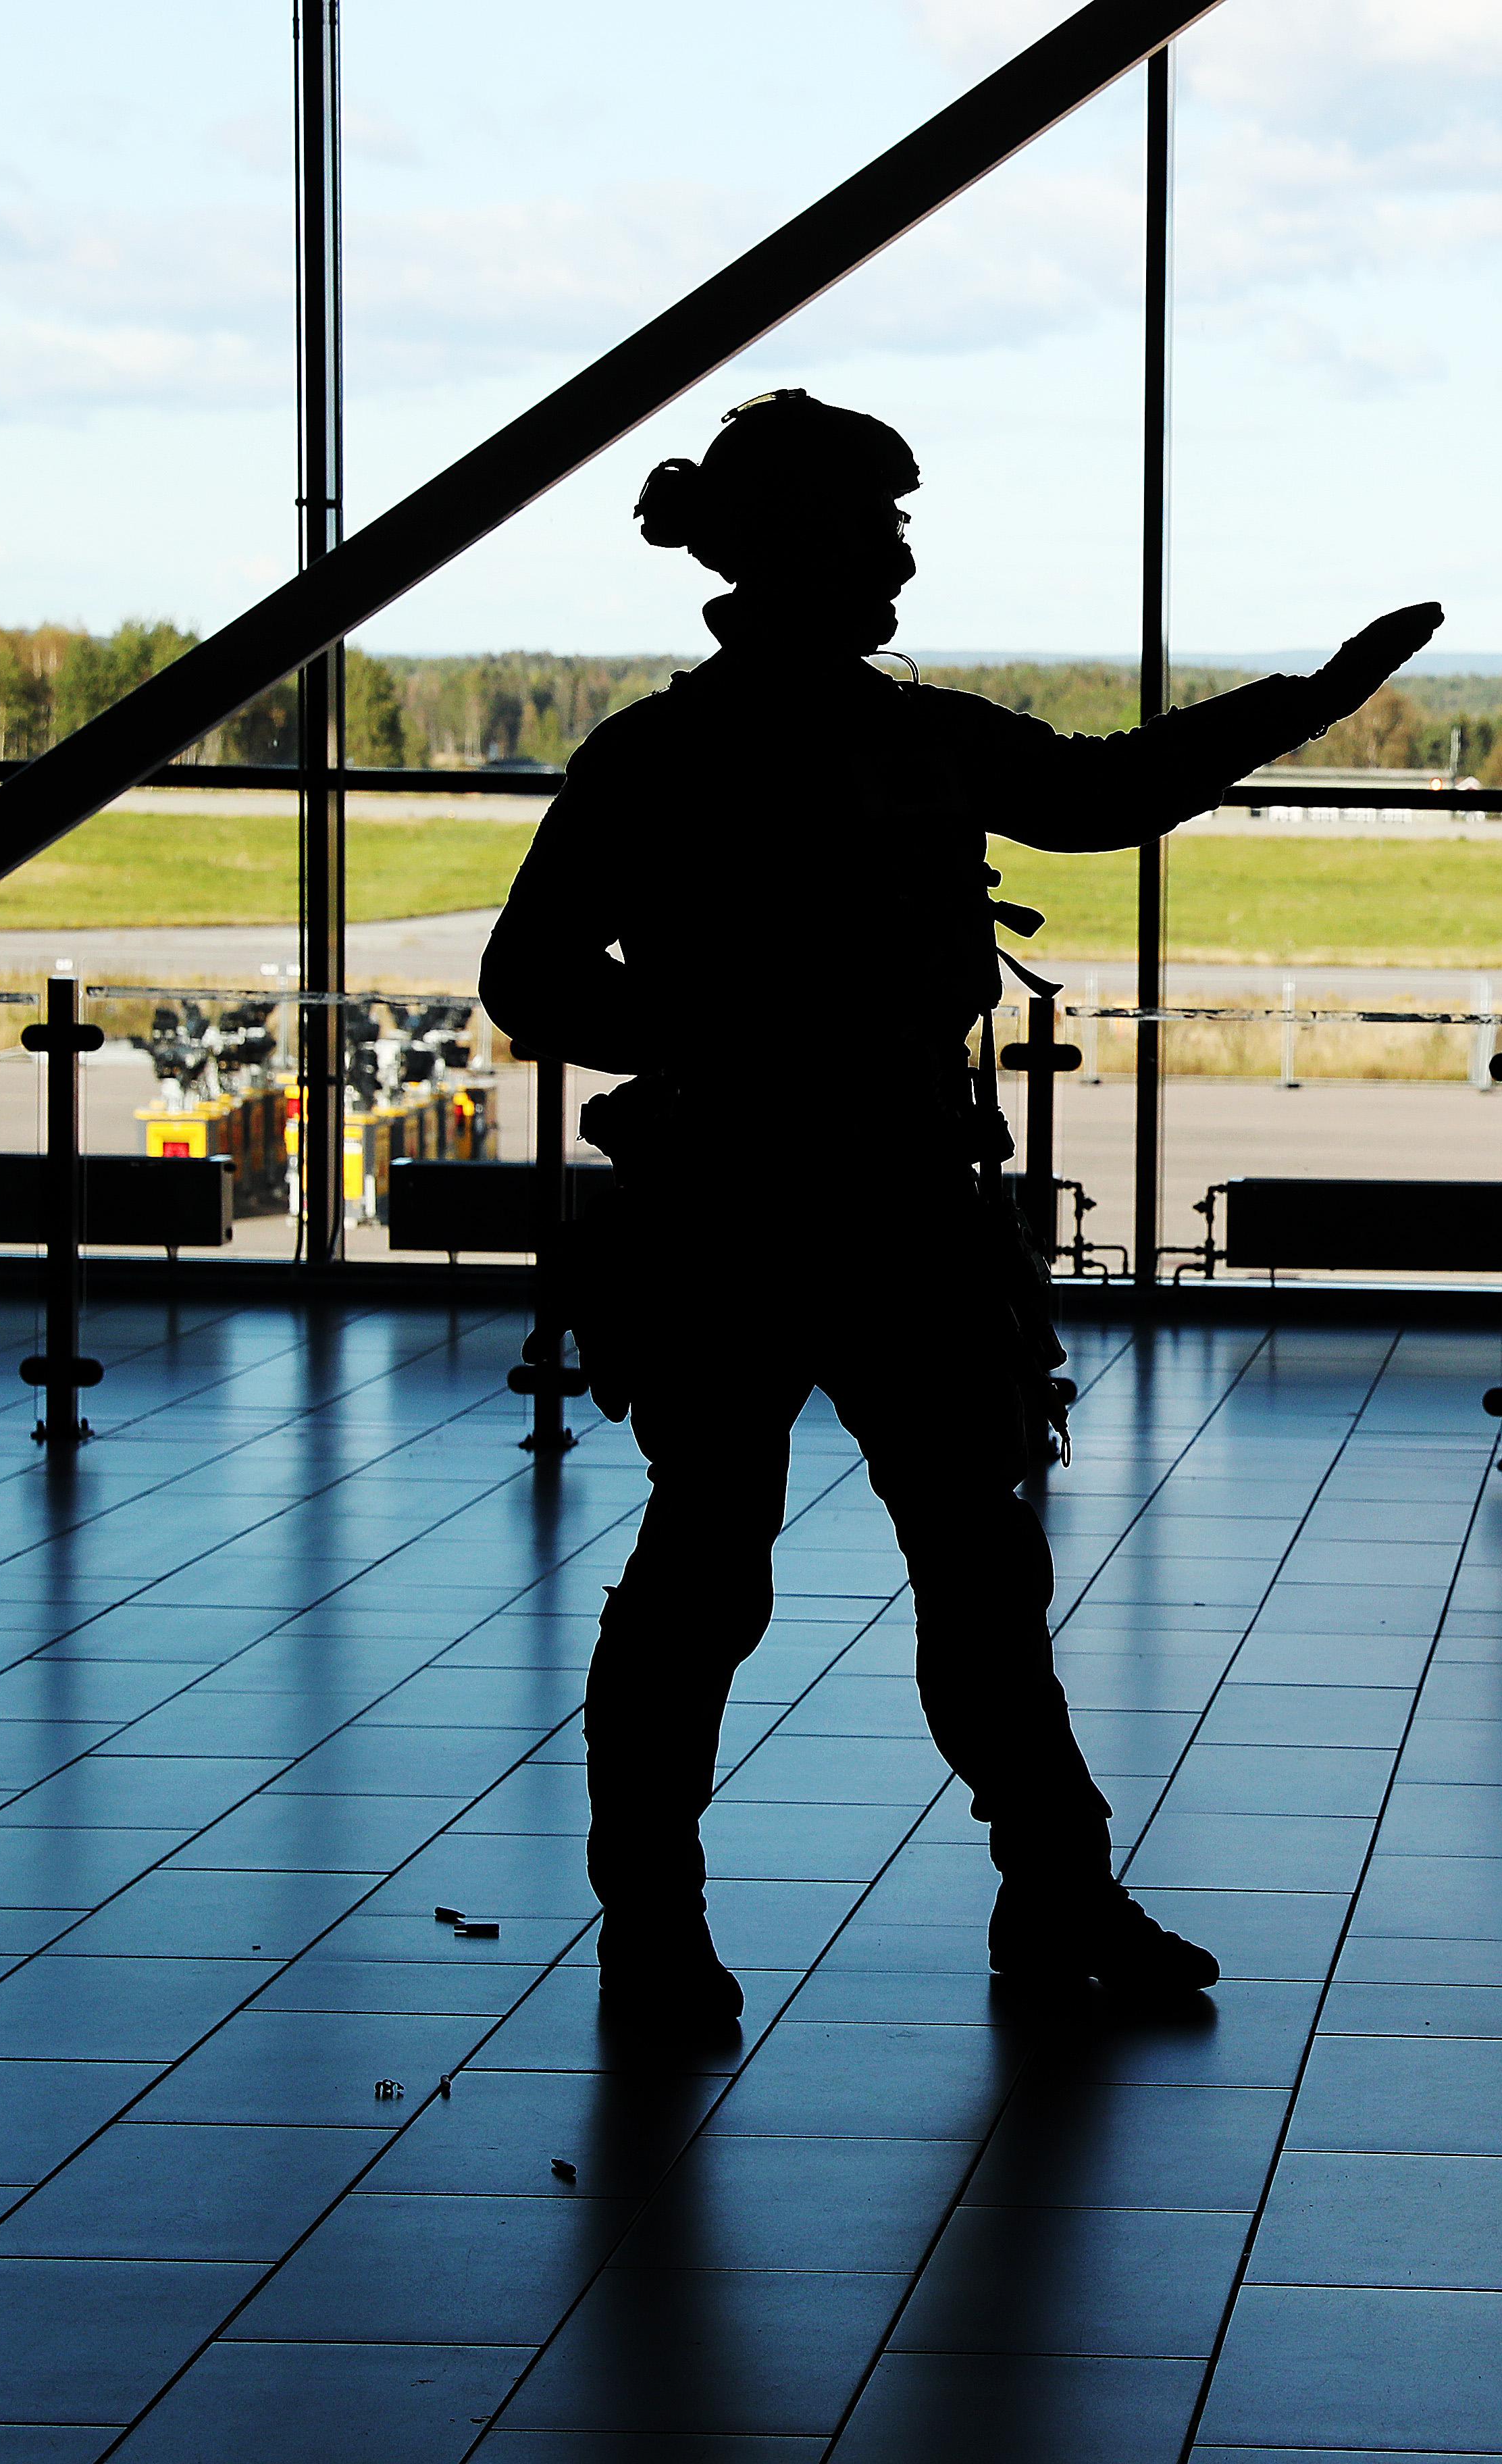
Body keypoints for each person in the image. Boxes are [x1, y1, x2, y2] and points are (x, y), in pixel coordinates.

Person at [482, 388, 1440, 2032]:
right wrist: (1299, 704)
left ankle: (678, 1923)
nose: (904, 552)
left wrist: (1301, 703)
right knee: (909, 1572)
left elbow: (1102, 792)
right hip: (836, 1216)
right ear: (804, 541)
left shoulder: (698, 755)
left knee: (771, 1572)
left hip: (788, 1216)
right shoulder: (851, 746)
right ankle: (1025, 1898)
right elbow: (533, 982)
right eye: (882, 523)